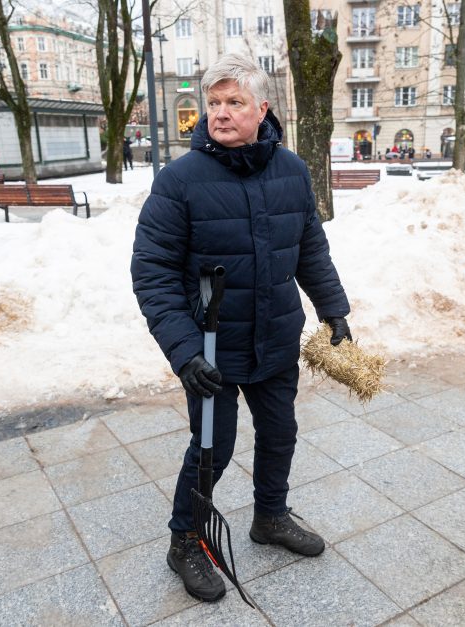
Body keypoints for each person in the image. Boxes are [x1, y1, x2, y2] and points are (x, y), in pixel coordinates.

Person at [131, 53, 351, 604]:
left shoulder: (292, 171)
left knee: (281, 433)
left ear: (262, 108)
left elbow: (309, 249)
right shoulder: (179, 181)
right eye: (213, 103)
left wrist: (333, 310)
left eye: (234, 102)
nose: (220, 114)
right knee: (212, 447)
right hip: (209, 347)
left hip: (274, 335)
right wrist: (184, 352)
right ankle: (185, 541)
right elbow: (152, 273)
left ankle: (270, 517)